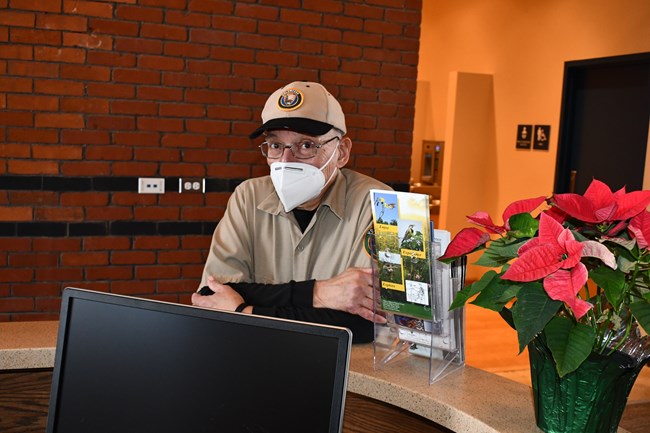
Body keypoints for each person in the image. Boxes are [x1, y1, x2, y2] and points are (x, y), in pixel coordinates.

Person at [191, 81, 391, 342]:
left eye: (306, 145)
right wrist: (318, 293)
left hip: (347, 375)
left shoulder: (384, 206)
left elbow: (368, 324)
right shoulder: (248, 197)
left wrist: (245, 310)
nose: (286, 161)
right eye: (275, 146)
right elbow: (210, 296)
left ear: (341, 152)